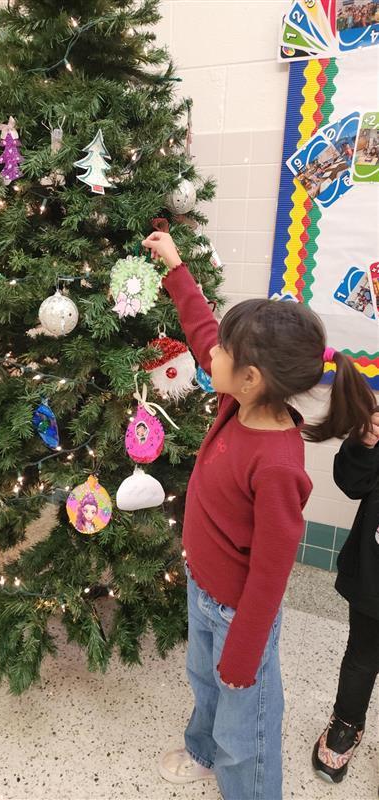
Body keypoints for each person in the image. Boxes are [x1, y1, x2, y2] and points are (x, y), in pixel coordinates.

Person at [141, 230, 377, 800]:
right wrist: (175, 267)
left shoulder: (276, 465)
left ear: (250, 378)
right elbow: (202, 331)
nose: (213, 355)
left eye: (226, 352)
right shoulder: (238, 400)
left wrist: (245, 652)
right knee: (204, 682)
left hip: (238, 615)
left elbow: (271, 574)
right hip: (202, 587)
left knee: (244, 725)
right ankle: (203, 753)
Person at [312, 411, 379, 784]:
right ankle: (346, 722)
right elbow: (352, 482)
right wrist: (363, 443)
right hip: (375, 573)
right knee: (362, 656)